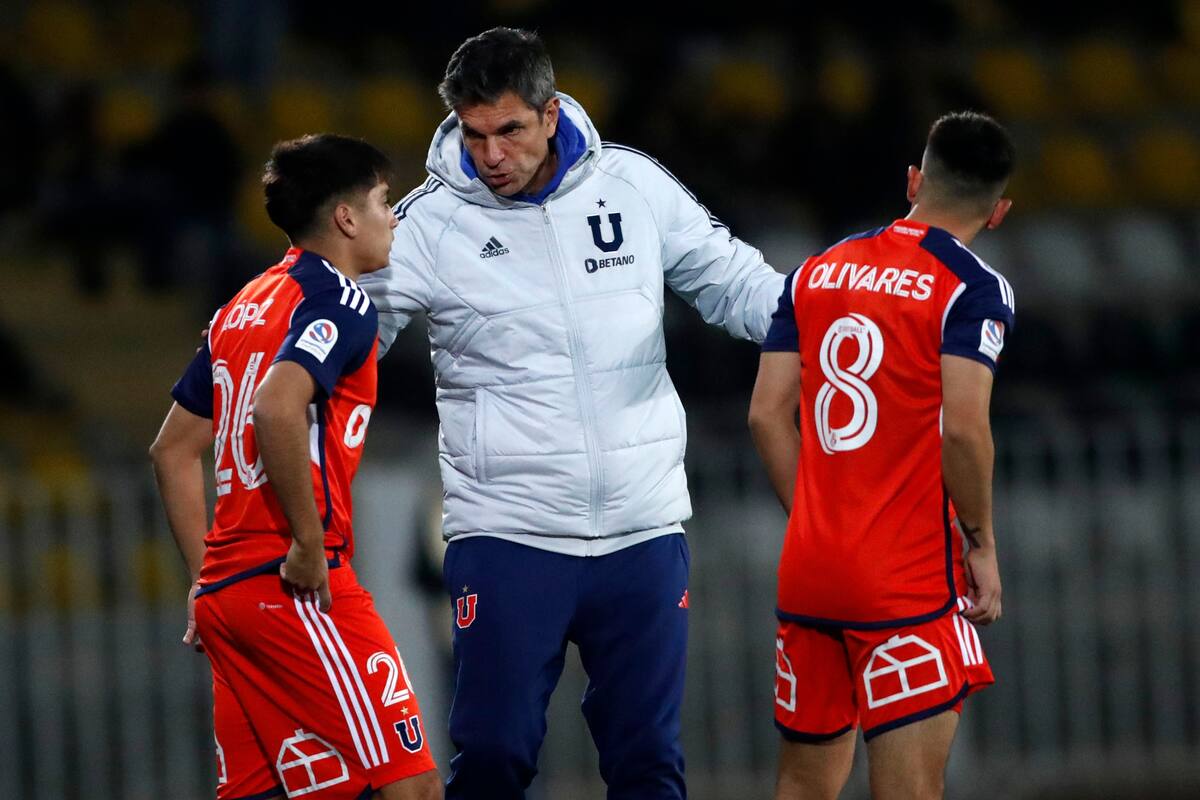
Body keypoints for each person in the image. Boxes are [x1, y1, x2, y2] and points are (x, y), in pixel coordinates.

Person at [358, 26, 784, 800]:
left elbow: (735, 281)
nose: (492, 155)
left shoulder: (632, 185)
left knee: (648, 763)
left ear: (551, 114)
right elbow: (349, 339)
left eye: (510, 130)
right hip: (509, 534)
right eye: (475, 134)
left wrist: (832, 322)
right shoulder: (428, 225)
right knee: (493, 757)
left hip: (642, 530)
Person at [149, 134, 441, 800]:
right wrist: (308, 544)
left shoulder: (240, 306)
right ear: (346, 218)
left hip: (227, 594)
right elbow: (276, 407)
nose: (393, 218)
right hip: (293, 583)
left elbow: (171, 450)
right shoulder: (341, 301)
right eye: (383, 201)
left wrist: (201, 578)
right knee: (413, 785)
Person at [748, 111, 1016, 800]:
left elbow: (766, 414)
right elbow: (964, 429)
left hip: (811, 571)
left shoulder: (816, 271)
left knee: (803, 785)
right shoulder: (972, 288)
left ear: (914, 181)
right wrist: (982, 544)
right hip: (905, 579)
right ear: (998, 212)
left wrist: (817, 519)